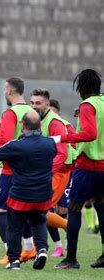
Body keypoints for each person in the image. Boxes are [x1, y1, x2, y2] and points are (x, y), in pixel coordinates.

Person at [0, 111, 57, 270]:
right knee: (39, 221)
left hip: (21, 194)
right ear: (40, 125)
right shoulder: (49, 144)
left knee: (14, 226)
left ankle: (14, 261)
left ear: (22, 126)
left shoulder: (16, 146)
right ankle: (42, 250)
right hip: (43, 194)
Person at [0, 77, 36, 264]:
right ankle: (29, 248)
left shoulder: (10, 114)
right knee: (22, 209)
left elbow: (5, 141)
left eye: (5, 89)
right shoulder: (33, 111)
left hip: (12, 170)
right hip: (30, 168)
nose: (4, 92)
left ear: (9, 91)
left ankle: (11, 253)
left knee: (0, 208)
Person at [53, 69, 104, 269]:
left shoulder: (87, 105)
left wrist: (60, 138)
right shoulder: (100, 103)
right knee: (101, 206)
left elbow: (90, 134)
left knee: (73, 208)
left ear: (82, 88)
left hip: (88, 166)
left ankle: (71, 258)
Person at [30, 89, 75, 257]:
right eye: (32, 102)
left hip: (59, 172)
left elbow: (62, 154)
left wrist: (44, 172)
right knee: (36, 210)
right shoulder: (35, 120)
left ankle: (35, 249)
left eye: (38, 103)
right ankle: (37, 248)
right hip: (49, 171)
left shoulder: (55, 123)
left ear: (47, 104)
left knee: (36, 209)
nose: (34, 106)